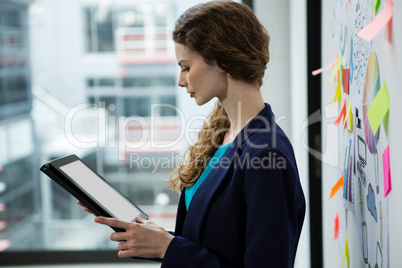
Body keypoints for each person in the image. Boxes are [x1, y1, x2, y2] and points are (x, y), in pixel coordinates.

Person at [78, 0, 305, 267]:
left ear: (220, 59)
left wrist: (169, 248)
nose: (181, 80)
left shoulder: (267, 153)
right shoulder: (223, 136)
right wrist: (153, 239)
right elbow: (210, 242)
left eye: (186, 67)